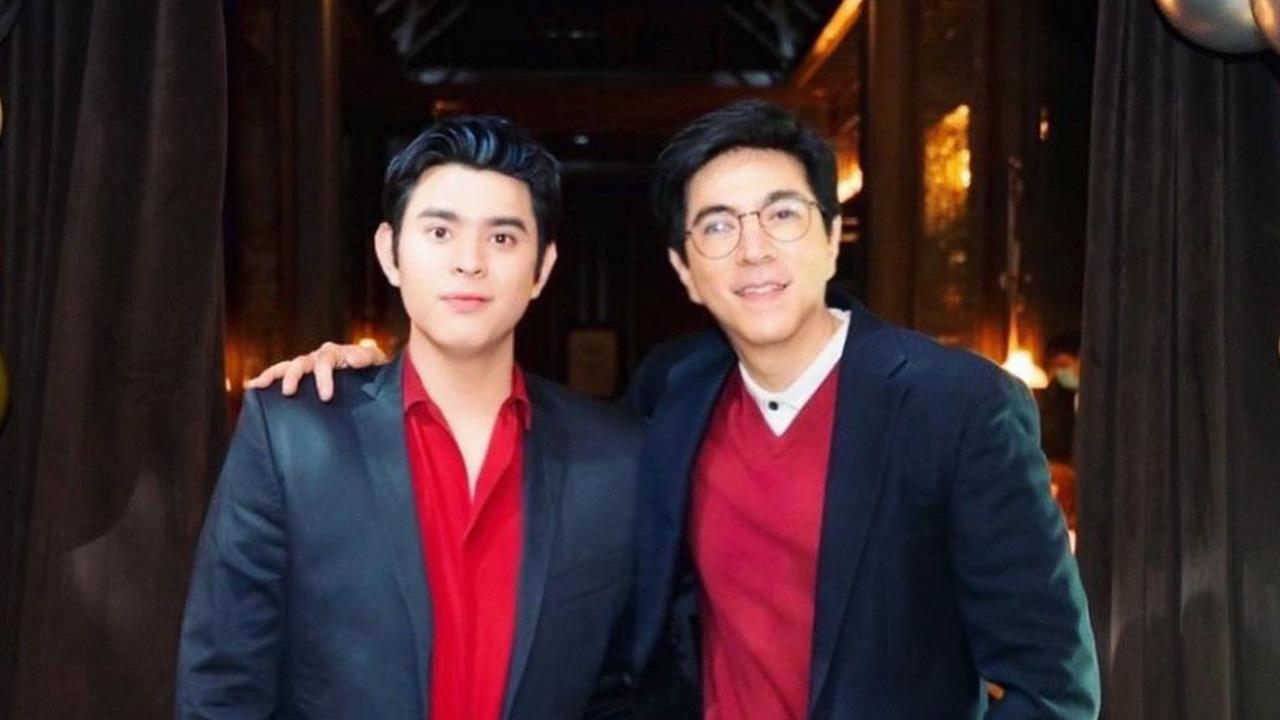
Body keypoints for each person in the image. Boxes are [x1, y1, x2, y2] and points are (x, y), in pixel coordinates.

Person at [255, 101, 1101, 719]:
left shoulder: (957, 406)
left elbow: (1052, 684)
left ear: (830, 236)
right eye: (717, 226)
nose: (754, 249)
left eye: (782, 215)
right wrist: (365, 381)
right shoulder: (673, 391)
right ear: (685, 270)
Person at [178, 116, 642, 720]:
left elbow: (626, 688)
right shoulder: (295, 435)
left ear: (542, 268)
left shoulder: (617, 457)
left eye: (503, 238)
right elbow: (224, 684)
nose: (469, 262)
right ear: (389, 252)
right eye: (440, 232)